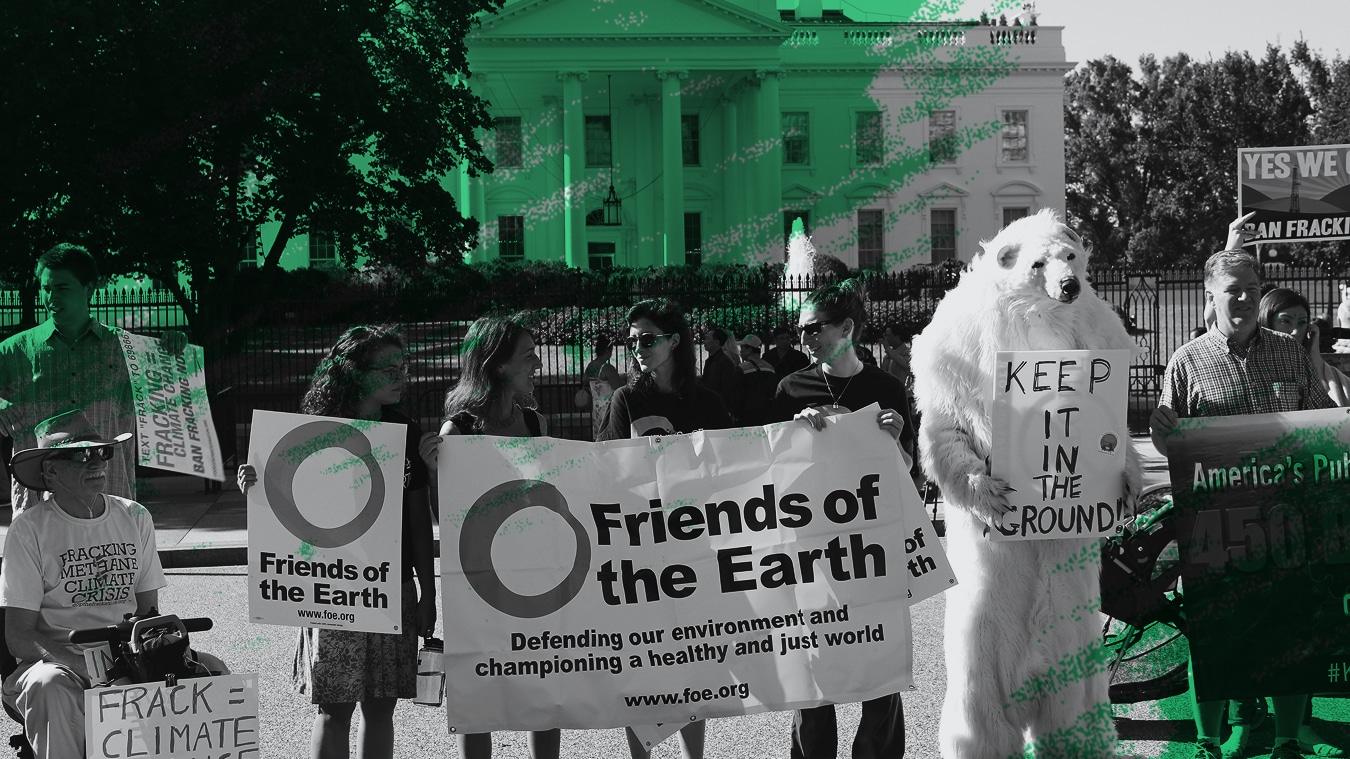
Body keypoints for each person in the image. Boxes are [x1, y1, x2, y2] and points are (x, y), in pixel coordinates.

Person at [1149, 249, 1334, 759]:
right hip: (1213, 523)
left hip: (1285, 519)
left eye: (1253, 288)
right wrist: (1161, 432)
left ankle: (1287, 741)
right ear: (1210, 295)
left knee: (1289, 631)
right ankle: (1208, 742)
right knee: (1212, 633)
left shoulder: (1290, 353)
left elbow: (1321, 423)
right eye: (1234, 290)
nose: (1246, 298)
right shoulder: (1187, 361)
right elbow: (1170, 443)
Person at [238, 325, 436, 759]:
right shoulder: (314, 430)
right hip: (333, 586)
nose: (401, 376)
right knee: (335, 707)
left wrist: (428, 591)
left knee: (381, 706)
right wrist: (253, 482)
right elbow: (282, 500)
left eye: (403, 366)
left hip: (391, 586)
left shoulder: (405, 431)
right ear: (354, 373)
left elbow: (420, 520)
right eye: (389, 369)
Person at [1, 409, 221, 759]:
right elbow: (19, 635)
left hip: (127, 651)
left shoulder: (135, 516)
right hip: (59, 661)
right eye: (81, 455)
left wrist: (151, 656)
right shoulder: (29, 531)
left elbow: (149, 613)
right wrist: (85, 667)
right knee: (51, 687)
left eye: (102, 452)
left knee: (213, 672)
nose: (97, 462)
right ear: (51, 470)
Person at [770, 278, 914, 759]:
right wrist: (793, 434)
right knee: (814, 669)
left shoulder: (886, 388)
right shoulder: (791, 388)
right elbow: (770, 476)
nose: (804, 337)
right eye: (801, 328)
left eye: (815, 328)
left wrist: (894, 442)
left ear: (848, 328)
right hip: (810, 551)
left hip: (872, 551)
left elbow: (908, 475)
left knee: (880, 669)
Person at [421, 315, 561, 759]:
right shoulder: (457, 431)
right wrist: (433, 473)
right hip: (479, 584)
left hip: (536, 578)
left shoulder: (537, 424)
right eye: (528, 355)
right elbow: (447, 519)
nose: (538, 363)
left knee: (543, 689)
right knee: (479, 694)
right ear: (498, 365)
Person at [597, 299, 730, 759]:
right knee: (643, 663)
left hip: (696, 550)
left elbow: (734, 472)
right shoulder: (625, 400)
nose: (638, 347)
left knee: (692, 660)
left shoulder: (708, 403)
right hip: (641, 554)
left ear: (674, 341)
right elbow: (606, 473)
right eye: (632, 340)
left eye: (648, 339)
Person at [0, 243, 186, 514]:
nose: (51, 297)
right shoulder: (14, 352)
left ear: (88, 289)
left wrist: (174, 347)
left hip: (111, 501)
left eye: (62, 288)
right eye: (45, 288)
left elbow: (177, 401)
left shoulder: (125, 349)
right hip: (40, 508)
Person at [575, 334, 624, 441]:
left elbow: (584, 380)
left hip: (596, 408)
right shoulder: (607, 368)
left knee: (598, 435)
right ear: (607, 351)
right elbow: (619, 387)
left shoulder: (590, 366)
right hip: (609, 408)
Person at [699, 325, 742, 422]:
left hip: (718, 409)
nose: (704, 342)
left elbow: (728, 389)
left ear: (717, 342)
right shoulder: (710, 361)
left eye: (707, 338)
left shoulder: (724, 362)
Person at [737, 334, 779, 427]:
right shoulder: (770, 367)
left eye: (742, 348)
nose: (740, 351)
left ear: (749, 350)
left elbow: (737, 394)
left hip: (747, 415)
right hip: (767, 414)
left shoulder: (741, 368)